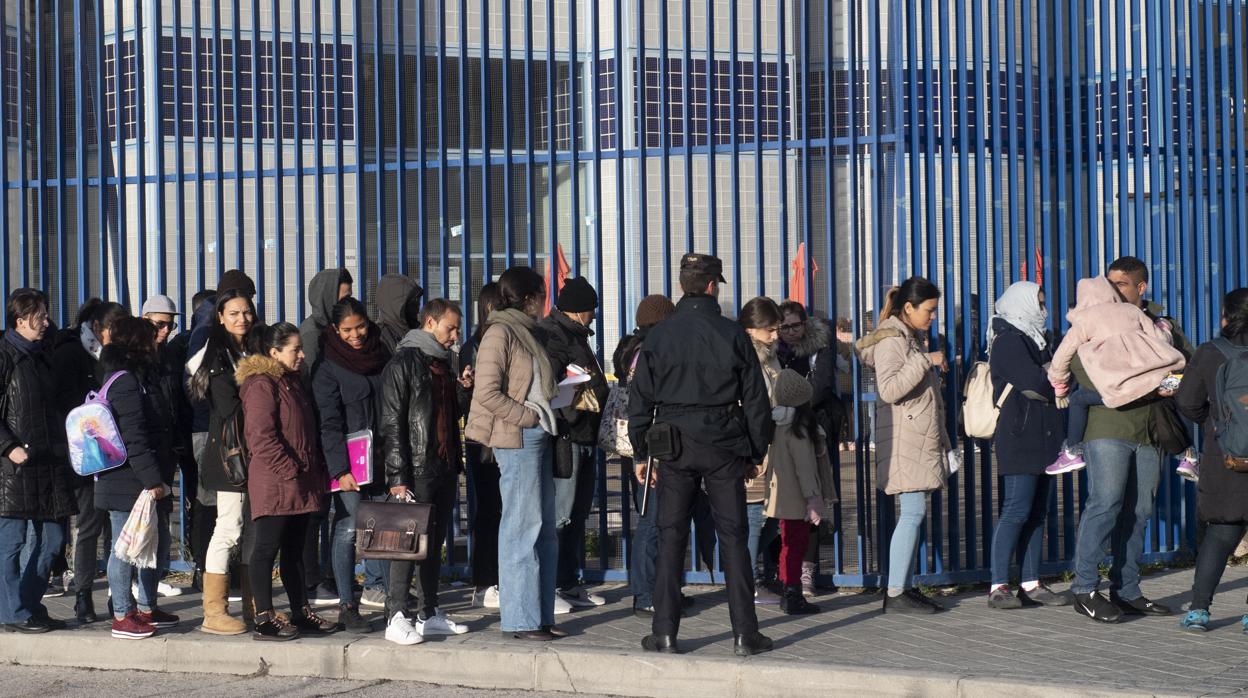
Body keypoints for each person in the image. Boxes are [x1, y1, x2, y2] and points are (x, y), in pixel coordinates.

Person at [629, 253, 775, 657]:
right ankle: (745, 634)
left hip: (672, 444)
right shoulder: (732, 334)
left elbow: (640, 399)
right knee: (734, 538)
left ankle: (664, 632)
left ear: (682, 286)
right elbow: (756, 400)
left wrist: (642, 452)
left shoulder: (658, 335)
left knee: (670, 536)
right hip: (724, 442)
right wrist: (755, 449)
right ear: (712, 286)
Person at [1067, 256, 1192, 623]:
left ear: (1141, 287)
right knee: (1105, 504)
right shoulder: (1094, 317)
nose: (1112, 289)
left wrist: (1163, 389)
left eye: (1121, 283)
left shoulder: (1160, 323)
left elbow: (1186, 364)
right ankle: (1084, 588)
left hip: (1150, 429)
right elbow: (1079, 367)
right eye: (1109, 282)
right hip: (1107, 427)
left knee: (1139, 511)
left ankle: (1127, 589)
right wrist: (1138, 386)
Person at [464, 266, 563, 642]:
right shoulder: (500, 332)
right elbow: (486, 393)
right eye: (542, 293)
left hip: (539, 435)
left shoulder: (528, 332)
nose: (545, 300)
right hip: (518, 438)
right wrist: (529, 417)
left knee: (543, 532)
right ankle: (521, 620)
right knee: (522, 530)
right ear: (528, 298)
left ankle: (539, 615)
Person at [380, 298, 473, 645]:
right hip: (415, 468)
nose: (455, 335)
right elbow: (392, 424)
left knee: (434, 543)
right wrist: (397, 477)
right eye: (451, 327)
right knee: (406, 544)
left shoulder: (443, 364)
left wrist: (463, 390)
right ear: (430, 323)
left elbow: (450, 415)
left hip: (443, 465)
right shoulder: (403, 363)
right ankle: (396, 616)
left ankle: (428, 613)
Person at [237, 323, 337, 641]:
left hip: (299, 480)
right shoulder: (261, 384)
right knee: (266, 549)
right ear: (274, 352)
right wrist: (289, 468)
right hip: (276, 481)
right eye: (295, 348)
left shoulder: (290, 381)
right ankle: (264, 617)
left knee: (294, 551)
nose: (302, 354)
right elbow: (260, 436)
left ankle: (300, 611)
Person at [856, 276, 949, 614]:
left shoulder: (907, 337)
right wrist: (925, 360)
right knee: (912, 513)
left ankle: (904, 588)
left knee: (914, 513)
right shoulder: (894, 340)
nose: (933, 316)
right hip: (906, 439)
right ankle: (895, 592)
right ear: (908, 308)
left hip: (914, 438)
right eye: (930, 310)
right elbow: (890, 389)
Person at [1045, 275, 1187, 476]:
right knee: (1179, 392)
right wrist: (1165, 326)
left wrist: (1059, 387)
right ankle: (1188, 455)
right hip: (1152, 385)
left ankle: (1072, 452)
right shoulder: (1131, 311)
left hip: (1119, 390)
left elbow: (1062, 356)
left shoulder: (1084, 320)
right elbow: (1162, 339)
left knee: (1077, 399)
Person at [984, 282, 1069, 609]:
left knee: (1037, 512)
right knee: (1016, 509)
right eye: (1040, 303)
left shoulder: (1038, 339)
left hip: (1044, 434)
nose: (1044, 310)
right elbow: (1038, 384)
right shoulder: (1008, 340)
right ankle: (998, 585)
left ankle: (1031, 582)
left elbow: (1059, 379)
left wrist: (1053, 377)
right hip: (1019, 435)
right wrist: (1052, 378)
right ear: (1022, 304)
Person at [94, 318, 180, 640]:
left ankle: (146, 606)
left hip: (139, 477)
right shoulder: (126, 382)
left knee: (151, 545)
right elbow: (134, 438)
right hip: (126, 481)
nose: (157, 341)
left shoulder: (140, 378)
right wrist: (152, 481)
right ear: (136, 344)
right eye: (150, 338)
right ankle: (122, 614)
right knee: (124, 549)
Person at [313, 297, 392, 634]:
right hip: (349, 465)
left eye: (360, 326)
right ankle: (348, 604)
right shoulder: (328, 365)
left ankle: (395, 601)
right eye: (347, 330)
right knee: (348, 529)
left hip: (384, 456)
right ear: (335, 329)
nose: (356, 335)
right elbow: (328, 423)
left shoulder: (381, 351)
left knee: (387, 529)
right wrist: (340, 470)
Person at [0, 289, 75, 634]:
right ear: (20, 320)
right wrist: (7, 446)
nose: (46, 321)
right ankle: (12, 611)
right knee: (12, 542)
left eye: (46, 315)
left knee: (54, 540)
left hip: (48, 462)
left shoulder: (42, 355)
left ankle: (27, 603)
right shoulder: (5, 354)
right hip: (13, 467)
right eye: (40, 316)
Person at [1175, 289, 1248, 631]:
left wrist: (1216, 422)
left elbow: (1187, 403)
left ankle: (1199, 611)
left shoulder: (1209, 353)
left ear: (1226, 316)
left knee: (1220, 534)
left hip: (1226, 458)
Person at [52, 300, 128, 624]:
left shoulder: (114, 357)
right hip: (86, 453)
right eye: (116, 329)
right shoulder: (71, 354)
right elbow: (62, 404)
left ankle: (118, 595)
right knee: (89, 525)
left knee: (115, 527)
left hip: (114, 454)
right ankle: (83, 595)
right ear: (98, 328)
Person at [537, 277, 611, 610]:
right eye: (592, 309)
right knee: (561, 516)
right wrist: (578, 412)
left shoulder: (575, 335)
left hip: (583, 435)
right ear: (580, 310)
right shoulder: (555, 336)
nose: (594, 315)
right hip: (568, 437)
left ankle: (566, 582)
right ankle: (549, 586)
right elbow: (554, 387)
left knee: (578, 514)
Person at [188, 285, 257, 635]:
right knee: (228, 529)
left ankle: (253, 605)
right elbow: (230, 408)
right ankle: (213, 612)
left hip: (256, 453)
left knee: (251, 530)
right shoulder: (218, 358)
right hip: (230, 456)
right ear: (220, 317)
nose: (242, 318)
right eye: (233, 313)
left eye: (246, 312)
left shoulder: (253, 348)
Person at [777, 300, 846, 597]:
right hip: (781, 428)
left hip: (814, 427)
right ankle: (779, 570)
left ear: (806, 324)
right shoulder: (775, 352)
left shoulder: (820, 346)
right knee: (780, 501)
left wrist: (795, 406)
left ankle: (807, 571)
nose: (791, 332)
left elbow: (821, 386)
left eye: (796, 325)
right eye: (785, 327)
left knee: (812, 500)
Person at [616, 295, 677, 617]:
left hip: (647, 446)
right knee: (652, 520)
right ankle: (644, 594)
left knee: (660, 520)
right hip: (652, 447)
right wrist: (644, 454)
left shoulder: (634, 349)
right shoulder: (650, 353)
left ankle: (660, 590)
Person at [763, 369, 836, 615]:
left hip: (782, 495)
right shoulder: (800, 429)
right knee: (797, 545)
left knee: (787, 544)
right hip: (798, 497)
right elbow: (805, 467)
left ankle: (788, 588)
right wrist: (813, 498)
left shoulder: (778, 425)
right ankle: (793, 594)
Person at [142, 295, 192, 599]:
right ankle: (134, 587)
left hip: (166, 447)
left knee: (160, 522)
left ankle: (151, 581)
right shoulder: (132, 357)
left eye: (170, 326)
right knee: (141, 522)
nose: (164, 331)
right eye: (159, 324)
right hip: (143, 451)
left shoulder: (170, 357)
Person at [738, 296, 783, 605]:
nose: (776, 335)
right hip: (752, 447)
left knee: (773, 515)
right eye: (770, 329)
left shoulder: (769, 356)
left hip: (772, 444)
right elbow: (750, 405)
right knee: (755, 516)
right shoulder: (745, 358)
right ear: (752, 329)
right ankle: (749, 581)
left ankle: (747, 574)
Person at [462, 282, 503, 609]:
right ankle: (485, 581)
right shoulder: (479, 345)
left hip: (486, 436)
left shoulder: (480, 343)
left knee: (494, 510)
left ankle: (489, 580)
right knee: (490, 510)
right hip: (485, 438)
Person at [300, 268, 354, 373]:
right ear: (328, 298)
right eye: (345, 298)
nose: (349, 303)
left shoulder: (333, 326)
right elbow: (309, 378)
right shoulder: (312, 334)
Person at [376, 273, 425, 353]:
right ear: (398, 305)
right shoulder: (380, 335)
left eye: (418, 301)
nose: (417, 308)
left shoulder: (416, 329)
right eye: (413, 302)